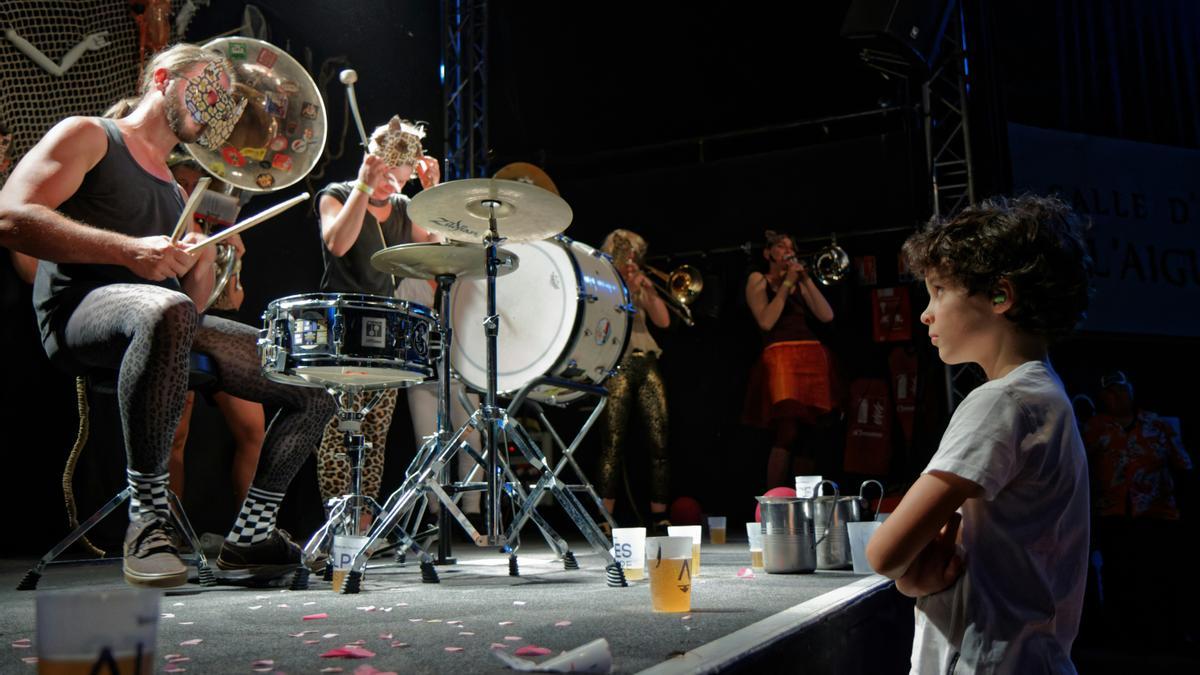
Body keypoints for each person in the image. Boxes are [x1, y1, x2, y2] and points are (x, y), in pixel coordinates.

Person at [0, 43, 336, 588]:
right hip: (79, 312)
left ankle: (251, 534)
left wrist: (201, 259)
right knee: (167, 307)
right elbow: (10, 217)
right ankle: (148, 520)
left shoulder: (175, 185)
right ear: (162, 77)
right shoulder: (90, 136)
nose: (217, 108)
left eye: (226, 103)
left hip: (159, 317)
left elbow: (185, 315)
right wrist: (130, 252)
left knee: (308, 380)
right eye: (207, 90)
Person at [866, 194, 1093, 673]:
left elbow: (885, 552)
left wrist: (908, 578)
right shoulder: (1046, 396)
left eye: (939, 290)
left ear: (999, 296)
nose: (926, 312)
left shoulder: (1001, 402)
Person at [314, 116, 441, 529]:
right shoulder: (336, 195)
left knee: (375, 431)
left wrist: (431, 193)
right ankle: (338, 523)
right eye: (387, 177)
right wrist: (364, 188)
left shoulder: (404, 207)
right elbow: (338, 242)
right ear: (371, 161)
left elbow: (435, 250)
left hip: (386, 330)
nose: (392, 187)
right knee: (341, 429)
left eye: (401, 181)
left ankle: (364, 523)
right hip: (342, 329)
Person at [165, 154, 264, 506]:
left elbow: (235, 300)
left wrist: (234, 258)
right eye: (183, 183)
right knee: (175, 436)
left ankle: (249, 531)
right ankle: (168, 529)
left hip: (217, 332)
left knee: (254, 430)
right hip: (178, 330)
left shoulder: (219, 227)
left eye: (196, 185)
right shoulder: (162, 222)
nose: (190, 190)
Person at [1083, 369, 1193, 645]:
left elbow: (1184, 466)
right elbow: (1080, 467)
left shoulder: (1158, 425)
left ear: (1131, 390)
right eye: (1109, 393)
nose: (1116, 397)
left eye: (1120, 390)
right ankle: (1122, 637)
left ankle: (1168, 634)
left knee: (1160, 575)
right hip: (1113, 516)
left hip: (1157, 516)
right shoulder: (1095, 428)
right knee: (1118, 575)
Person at [742, 230, 836, 489]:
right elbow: (766, 320)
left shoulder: (798, 281)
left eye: (790, 246)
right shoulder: (758, 279)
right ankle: (775, 499)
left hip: (809, 356)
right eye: (781, 246)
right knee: (787, 429)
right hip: (781, 356)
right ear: (767, 252)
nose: (788, 250)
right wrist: (785, 285)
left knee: (810, 432)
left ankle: (805, 500)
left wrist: (804, 279)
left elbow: (826, 315)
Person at [595, 229, 672, 535]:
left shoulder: (640, 284)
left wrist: (649, 292)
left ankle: (660, 515)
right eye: (625, 254)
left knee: (660, 436)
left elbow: (664, 321)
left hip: (647, 358)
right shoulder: (606, 285)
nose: (631, 261)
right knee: (612, 441)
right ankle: (604, 515)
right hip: (618, 361)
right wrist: (625, 286)